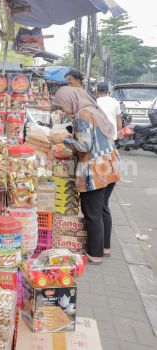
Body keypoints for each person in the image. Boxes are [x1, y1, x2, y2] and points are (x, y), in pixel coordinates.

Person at [49, 86, 120, 264]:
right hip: (109, 163)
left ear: (70, 101)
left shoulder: (82, 114)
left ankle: (94, 255)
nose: (61, 110)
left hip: (95, 169)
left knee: (92, 213)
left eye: (62, 106)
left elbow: (84, 147)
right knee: (103, 208)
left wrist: (63, 140)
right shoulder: (93, 108)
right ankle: (105, 247)